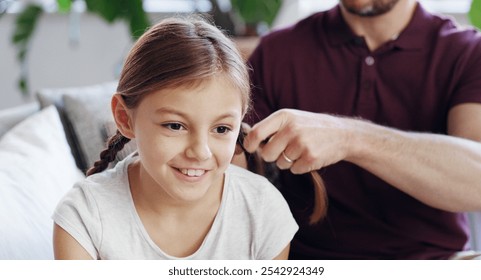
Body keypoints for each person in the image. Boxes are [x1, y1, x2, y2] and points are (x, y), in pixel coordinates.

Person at [242, 0, 481, 259]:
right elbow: (239, 164)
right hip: (308, 261)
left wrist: (350, 138)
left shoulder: (472, 52)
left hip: (436, 262)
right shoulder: (278, 50)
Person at [52, 17, 298, 260]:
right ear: (124, 118)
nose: (200, 152)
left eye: (221, 129)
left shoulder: (265, 212)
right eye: (175, 125)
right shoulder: (83, 217)